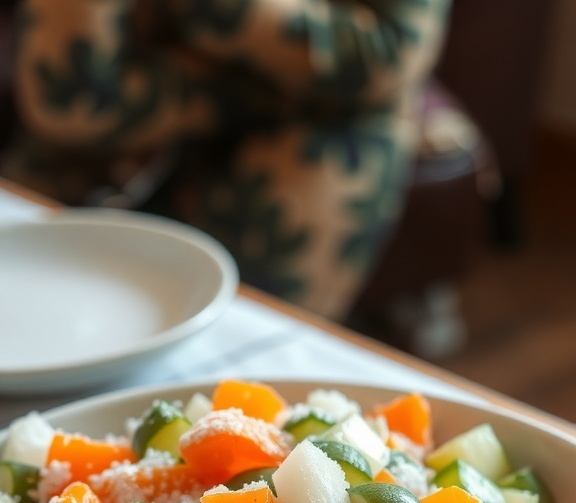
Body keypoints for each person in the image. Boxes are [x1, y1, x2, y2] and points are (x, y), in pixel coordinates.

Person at [3, 0, 451, 321]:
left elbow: (384, 55)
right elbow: (67, 97)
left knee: (243, 359)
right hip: (124, 117)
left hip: (316, 122)